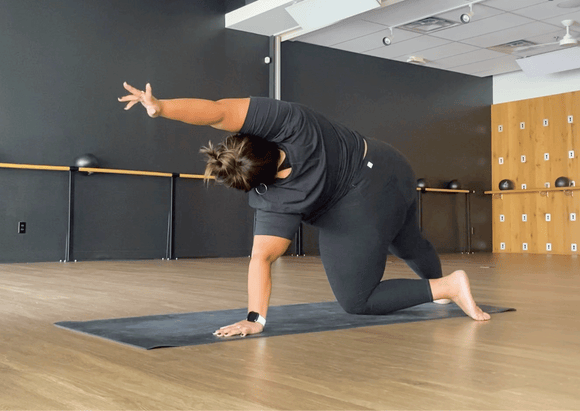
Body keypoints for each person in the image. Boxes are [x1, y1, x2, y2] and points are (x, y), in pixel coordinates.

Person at [118, 82, 491, 338]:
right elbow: (216, 112)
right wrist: (161, 107)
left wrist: (255, 320)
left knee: (358, 300)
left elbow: (260, 260)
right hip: (391, 164)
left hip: (360, 201)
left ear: (257, 184)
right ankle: (440, 293)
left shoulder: (274, 198)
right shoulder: (288, 123)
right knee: (407, 241)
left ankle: (447, 287)